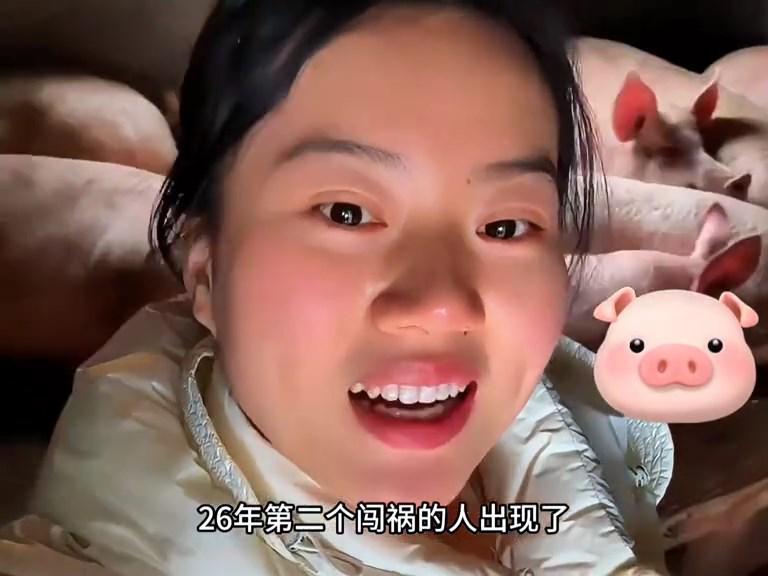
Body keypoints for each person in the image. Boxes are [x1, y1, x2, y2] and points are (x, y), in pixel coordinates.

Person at [0, 1, 674, 574]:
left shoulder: (572, 430)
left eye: (505, 226)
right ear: (206, 271)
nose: (443, 306)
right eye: (346, 213)